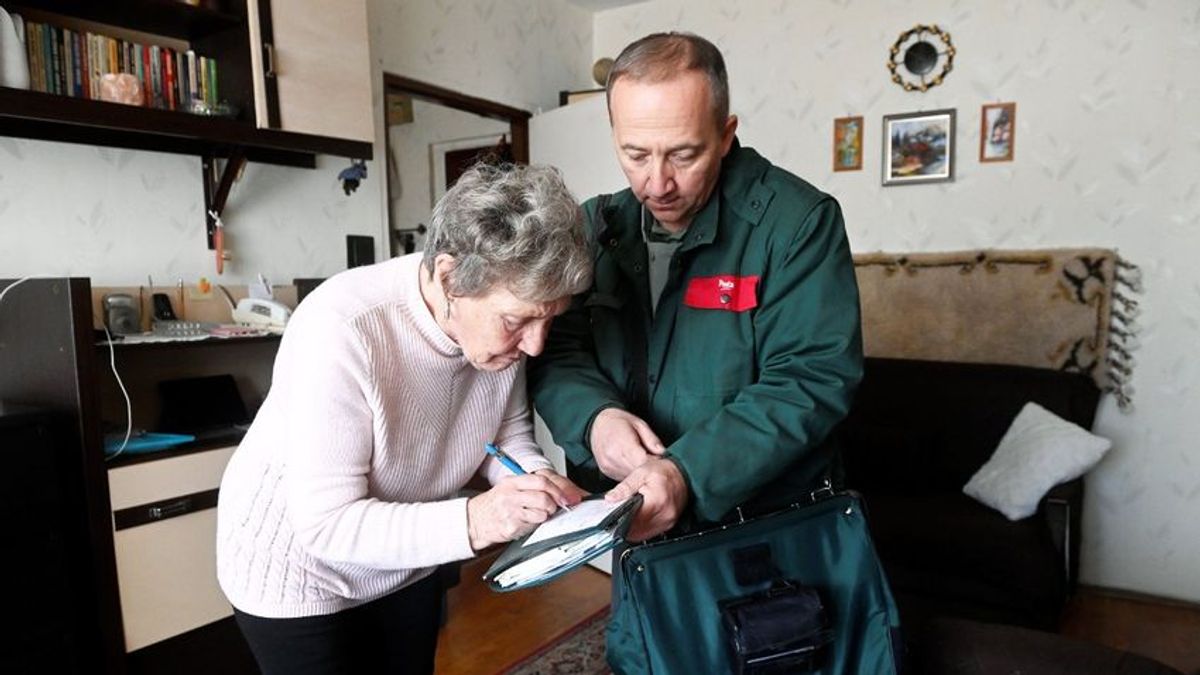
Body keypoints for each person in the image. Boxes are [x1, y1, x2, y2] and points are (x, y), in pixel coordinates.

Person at [216, 163, 591, 674]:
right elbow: (326, 525)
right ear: (448, 276)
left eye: (549, 319)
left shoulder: (502, 331)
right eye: (517, 320)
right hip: (300, 571)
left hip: (405, 556)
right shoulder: (342, 329)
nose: (536, 344)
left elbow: (503, 435)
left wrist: (532, 480)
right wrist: (479, 518)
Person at [528, 32, 863, 543]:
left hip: (764, 527)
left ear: (726, 134)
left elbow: (810, 379)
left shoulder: (798, 224)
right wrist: (595, 420)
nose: (657, 183)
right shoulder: (594, 225)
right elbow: (557, 350)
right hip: (632, 523)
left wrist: (688, 472)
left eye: (683, 155)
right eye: (635, 154)